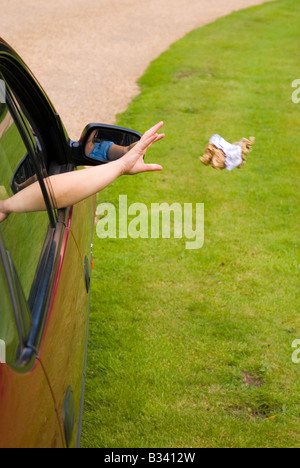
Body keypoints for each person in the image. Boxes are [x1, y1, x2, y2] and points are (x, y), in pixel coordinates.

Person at [0, 122, 165, 223]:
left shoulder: (104, 147)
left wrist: (127, 154)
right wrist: (121, 166)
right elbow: (53, 192)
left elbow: (121, 149)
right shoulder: (6, 204)